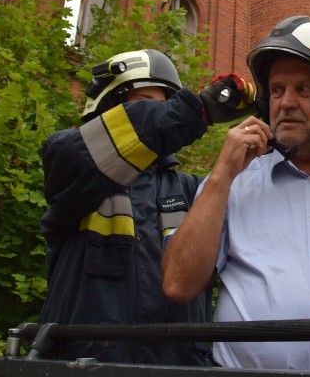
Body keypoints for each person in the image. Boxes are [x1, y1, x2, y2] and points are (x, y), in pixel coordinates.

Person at [162, 15, 310, 371]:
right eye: (276, 90)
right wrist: (221, 175)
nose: (285, 103)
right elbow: (178, 284)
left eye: (303, 90)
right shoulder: (234, 182)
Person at [38, 48, 253, 365]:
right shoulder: (71, 166)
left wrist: (273, 108)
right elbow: (92, 152)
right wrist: (199, 111)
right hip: (90, 367)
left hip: (181, 369)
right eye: (144, 106)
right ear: (108, 109)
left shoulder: (193, 190)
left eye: (165, 106)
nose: (160, 117)